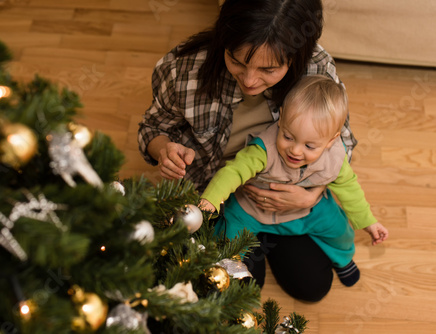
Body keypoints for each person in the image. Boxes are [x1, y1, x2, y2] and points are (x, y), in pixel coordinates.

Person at [138, 0, 357, 301]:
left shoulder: (317, 69)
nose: (250, 80)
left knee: (312, 286)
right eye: (238, 61)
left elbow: (341, 142)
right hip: (217, 198)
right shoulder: (182, 69)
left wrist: (312, 194)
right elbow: (152, 127)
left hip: (290, 199)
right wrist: (163, 149)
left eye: (269, 69)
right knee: (231, 290)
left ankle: (270, 235)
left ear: (296, 57)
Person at [199, 75, 389, 288]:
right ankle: (229, 268)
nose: (296, 151)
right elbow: (232, 173)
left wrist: (369, 221)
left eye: (309, 146)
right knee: (228, 237)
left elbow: (349, 187)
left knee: (340, 229)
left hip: (303, 211)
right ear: (281, 119)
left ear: (331, 140)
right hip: (251, 210)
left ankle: (343, 259)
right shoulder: (263, 150)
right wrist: (210, 201)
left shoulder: (335, 157)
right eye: (288, 137)